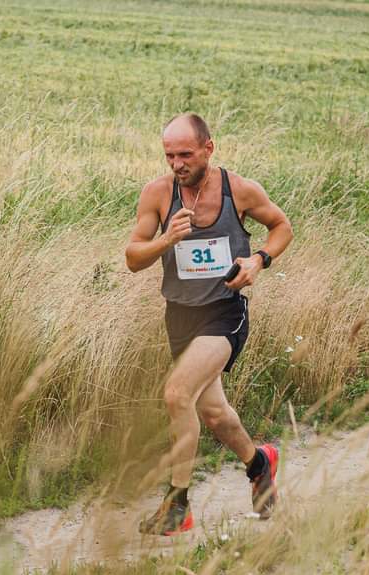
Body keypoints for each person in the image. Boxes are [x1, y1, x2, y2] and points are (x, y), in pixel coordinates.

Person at [125, 113, 294, 535]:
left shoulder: (239, 190)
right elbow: (132, 259)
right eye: (169, 155)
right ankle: (260, 463)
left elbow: (281, 226)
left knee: (177, 393)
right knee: (215, 414)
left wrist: (259, 260)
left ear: (208, 148)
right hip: (180, 316)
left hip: (224, 312)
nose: (176, 164)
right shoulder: (158, 194)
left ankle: (177, 506)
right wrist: (166, 240)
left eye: (185, 154)